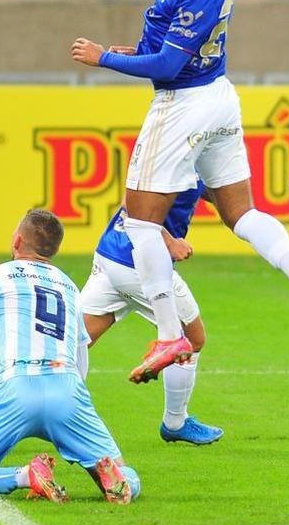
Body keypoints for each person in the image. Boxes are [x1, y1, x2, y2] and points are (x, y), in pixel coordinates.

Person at [71, 0, 289, 382]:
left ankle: (169, 333)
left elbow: (170, 66)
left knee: (141, 221)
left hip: (185, 103)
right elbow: (163, 46)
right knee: (242, 212)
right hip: (218, 94)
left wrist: (104, 58)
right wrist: (137, 52)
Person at [0, 209, 139, 504]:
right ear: (54, 250)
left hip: (16, 390)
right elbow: (80, 356)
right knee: (124, 474)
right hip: (68, 390)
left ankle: (25, 475)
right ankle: (118, 478)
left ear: (17, 240)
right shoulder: (68, 285)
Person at [78, 182, 223, 445]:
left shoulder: (191, 154)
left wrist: (229, 199)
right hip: (139, 263)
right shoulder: (175, 152)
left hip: (111, 255)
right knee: (192, 339)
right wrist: (169, 242)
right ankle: (175, 422)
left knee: (73, 339)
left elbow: (208, 187)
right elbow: (130, 203)